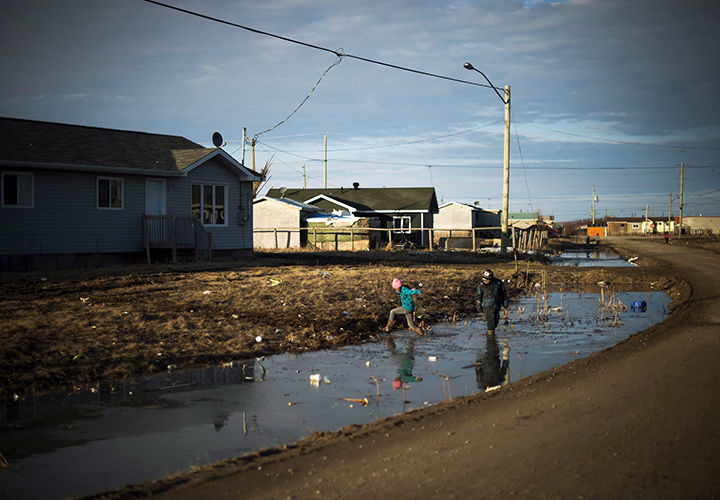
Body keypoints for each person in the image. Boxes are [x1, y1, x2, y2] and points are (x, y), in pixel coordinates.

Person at [476, 269, 508, 335]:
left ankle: (492, 331)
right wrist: (478, 306)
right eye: (484, 280)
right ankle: (490, 338)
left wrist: (505, 303)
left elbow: (503, 294)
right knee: (491, 323)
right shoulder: (481, 285)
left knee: (496, 321)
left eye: (487, 280)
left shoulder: (498, 284)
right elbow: (478, 297)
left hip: (496, 305)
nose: (485, 281)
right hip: (487, 306)